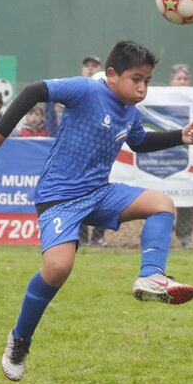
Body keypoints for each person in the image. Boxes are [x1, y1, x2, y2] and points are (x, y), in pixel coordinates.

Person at [0, 40, 193, 382]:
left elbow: (140, 143)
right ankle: (19, 340)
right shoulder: (85, 90)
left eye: (147, 80)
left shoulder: (129, 112)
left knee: (162, 203)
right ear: (112, 75)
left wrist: (180, 136)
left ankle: (151, 275)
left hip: (99, 193)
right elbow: (33, 90)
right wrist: (0, 131)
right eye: (136, 79)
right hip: (60, 198)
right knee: (57, 269)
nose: (142, 87)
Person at [76, 56, 109, 246]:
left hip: (101, 156)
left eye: (94, 66)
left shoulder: (107, 96)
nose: (90, 69)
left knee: (102, 195)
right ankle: (81, 237)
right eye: (87, 66)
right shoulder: (77, 91)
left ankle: (98, 237)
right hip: (79, 156)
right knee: (78, 196)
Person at [168, 63, 193, 249]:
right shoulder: (161, 99)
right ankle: (164, 232)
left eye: (186, 79)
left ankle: (185, 234)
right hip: (165, 155)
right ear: (172, 81)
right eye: (179, 79)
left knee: (188, 193)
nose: (182, 82)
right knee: (164, 195)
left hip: (189, 155)